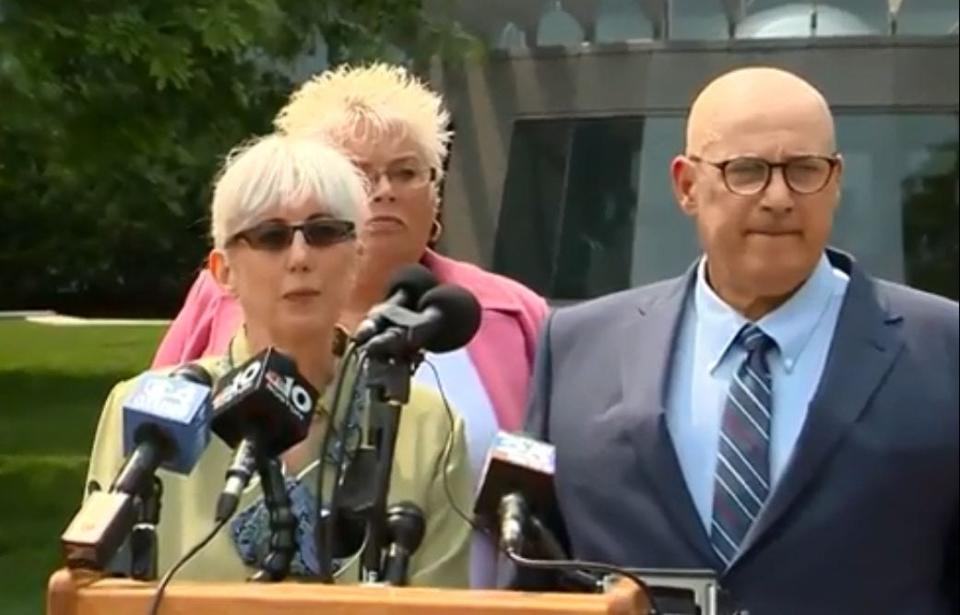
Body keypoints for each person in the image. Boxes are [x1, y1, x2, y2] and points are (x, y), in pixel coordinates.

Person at [521, 67, 958, 614]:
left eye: (805, 170)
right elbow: (534, 574)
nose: (778, 197)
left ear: (837, 180)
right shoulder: (577, 349)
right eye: (746, 171)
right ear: (686, 186)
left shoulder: (943, 350)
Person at [151, 63, 549, 587]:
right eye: (359, 172)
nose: (383, 190)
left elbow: (553, 481)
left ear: (436, 197)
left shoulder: (508, 314)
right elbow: (157, 444)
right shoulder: (223, 296)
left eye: (406, 172)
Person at [84, 134, 473, 586]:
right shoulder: (142, 409)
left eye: (325, 232)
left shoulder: (426, 425)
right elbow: (96, 590)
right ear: (222, 271)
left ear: (358, 256)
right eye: (271, 237)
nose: (301, 257)